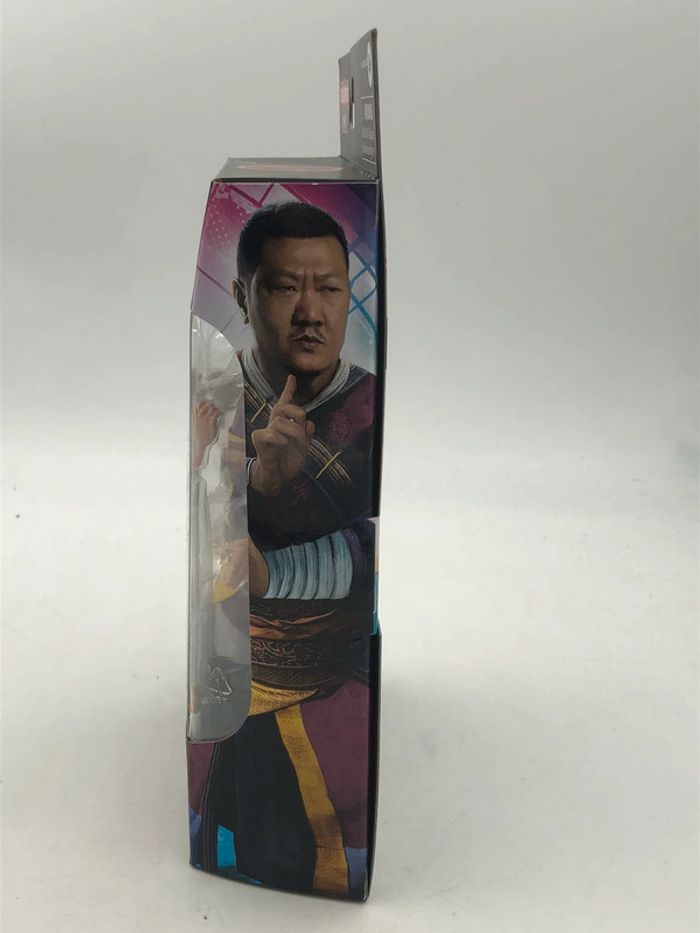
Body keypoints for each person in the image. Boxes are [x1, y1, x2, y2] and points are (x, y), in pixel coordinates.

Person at [189, 202, 379, 899]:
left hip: (331, 676)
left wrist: (276, 568)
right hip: (232, 666)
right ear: (244, 296)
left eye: (329, 288)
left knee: (315, 838)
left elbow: (373, 542)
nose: (310, 312)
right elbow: (205, 541)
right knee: (228, 818)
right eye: (284, 287)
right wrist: (250, 482)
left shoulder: (368, 407)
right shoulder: (216, 392)